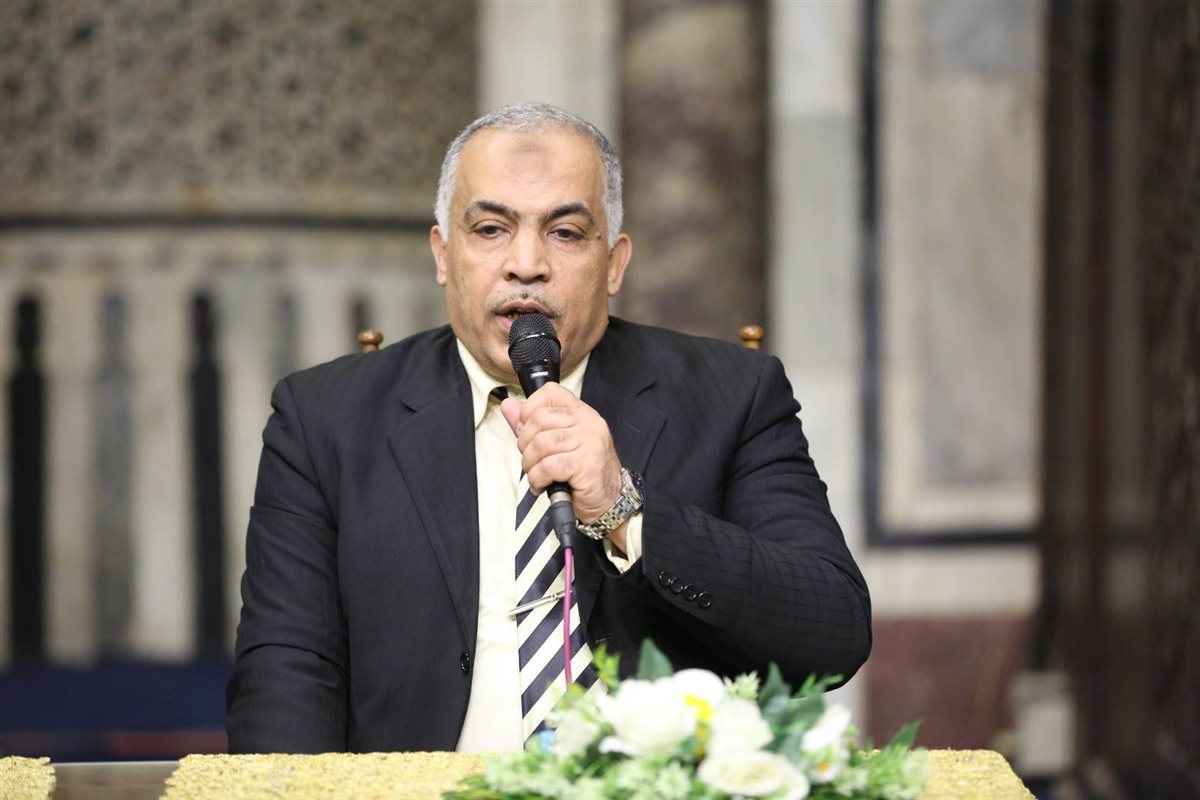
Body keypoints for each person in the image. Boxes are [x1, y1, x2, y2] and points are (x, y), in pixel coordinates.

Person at [226, 102, 870, 754]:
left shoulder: (731, 396)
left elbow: (832, 633)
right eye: (490, 230)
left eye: (564, 232)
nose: (526, 263)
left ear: (614, 264)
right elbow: (286, 675)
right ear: (443, 254)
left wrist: (625, 509)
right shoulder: (324, 419)